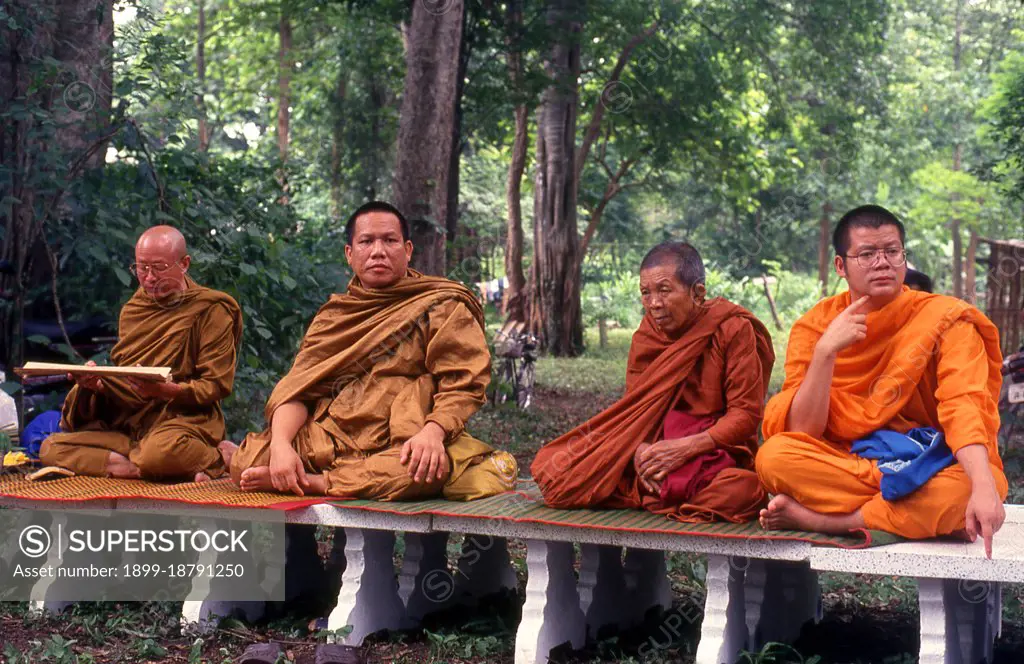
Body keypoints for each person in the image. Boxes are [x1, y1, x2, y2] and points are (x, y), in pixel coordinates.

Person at [756, 205, 1007, 556]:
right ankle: (910, 509)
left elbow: (964, 404)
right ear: (841, 266)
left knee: (977, 485)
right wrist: (826, 351)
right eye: (867, 254)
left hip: (930, 461)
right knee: (774, 457)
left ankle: (830, 520)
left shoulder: (946, 319)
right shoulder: (815, 327)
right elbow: (802, 430)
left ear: (904, 257)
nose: (882, 262)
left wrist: (981, 486)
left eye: (892, 251)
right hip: (853, 460)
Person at [230, 201, 516, 500]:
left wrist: (433, 432)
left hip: (402, 439)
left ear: (407, 250)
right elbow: (299, 391)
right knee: (246, 461)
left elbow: (463, 384)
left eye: (389, 240)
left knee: (418, 471)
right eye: (366, 241)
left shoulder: (441, 305)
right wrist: (281, 446)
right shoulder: (335, 316)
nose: (378, 251)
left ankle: (313, 483)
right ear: (350, 254)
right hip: (330, 437)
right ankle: (312, 476)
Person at [530, 242, 774, 522]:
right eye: (646, 293)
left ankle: (656, 493)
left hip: (711, 454)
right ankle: (662, 490)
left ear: (698, 293)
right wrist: (641, 451)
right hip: (656, 453)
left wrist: (684, 450)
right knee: (563, 474)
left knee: (745, 491)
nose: (654, 304)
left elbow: (745, 415)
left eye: (664, 290)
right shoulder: (647, 335)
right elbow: (635, 411)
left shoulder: (732, 328)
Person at [40, 226, 243, 482]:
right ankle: (139, 467)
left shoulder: (211, 310)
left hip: (182, 421)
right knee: (50, 447)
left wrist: (169, 391)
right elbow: (128, 383)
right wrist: (97, 386)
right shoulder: (134, 310)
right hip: (131, 423)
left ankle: (215, 458)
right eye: (141, 267)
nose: (149, 277)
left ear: (184, 264)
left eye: (158, 267)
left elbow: (215, 385)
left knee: (159, 452)